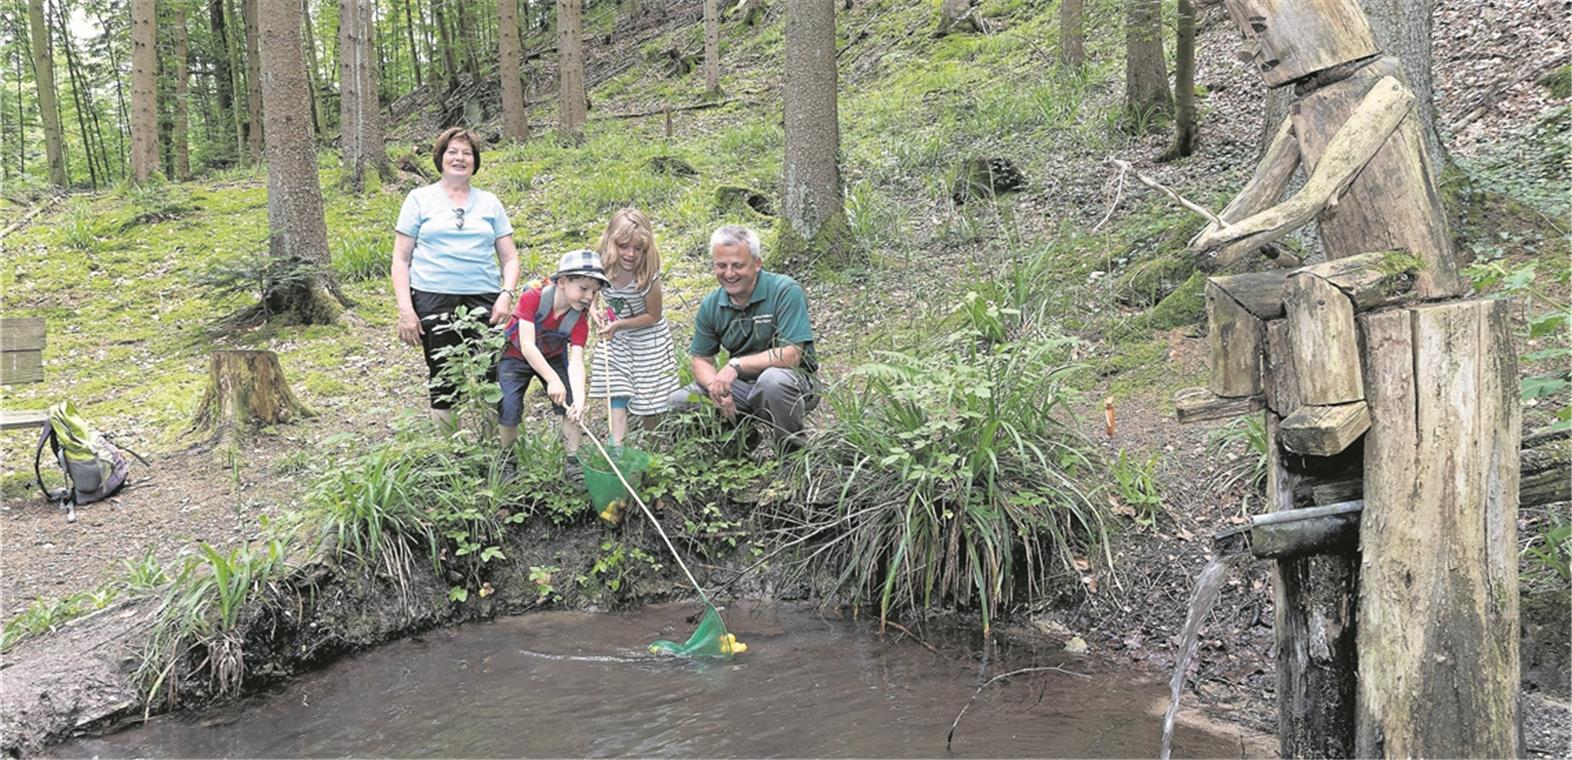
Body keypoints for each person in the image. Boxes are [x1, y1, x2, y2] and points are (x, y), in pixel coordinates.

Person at [392, 127, 521, 428]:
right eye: (453, 152)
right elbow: (400, 258)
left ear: (475, 161)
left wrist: (506, 293)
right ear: (440, 158)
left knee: (493, 372)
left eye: (467, 153)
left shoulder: (490, 202)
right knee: (443, 374)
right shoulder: (418, 199)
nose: (459, 158)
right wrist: (405, 309)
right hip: (432, 296)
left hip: (485, 297)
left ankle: (493, 450)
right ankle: (452, 455)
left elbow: (510, 257)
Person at [667, 224, 820, 451]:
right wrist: (715, 386)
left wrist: (736, 365)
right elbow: (701, 360)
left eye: (738, 265)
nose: (729, 274)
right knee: (678, 401)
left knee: (772, 381)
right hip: (741, 386)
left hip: (794, 382)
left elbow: (791, 355)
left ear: (757, 263)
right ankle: (740, 442)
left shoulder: (785, 290)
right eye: (722, 266)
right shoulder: (711, 304)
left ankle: (793, 455)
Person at [499, 249, 609, 480]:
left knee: (569, 403)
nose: (589, 297)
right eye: (583, 289)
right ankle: (507, 461)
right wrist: (551, 379)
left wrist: (579, 400)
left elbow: (577, 361)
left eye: (594, 292)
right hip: (516, 356)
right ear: (562, 282)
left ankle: (573, 461)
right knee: (509, 404)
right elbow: (527, 345)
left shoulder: (579, 320)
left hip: (553, 355)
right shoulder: (534, 298)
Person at [586, 208, 680, 447]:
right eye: (623, 246)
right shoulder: (601, 262)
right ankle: (616, 445)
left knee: (651, 396)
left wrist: (619, 324)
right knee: (616, 384)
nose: (630, 253)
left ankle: (653, 445)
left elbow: (653, 315)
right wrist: (593, 308)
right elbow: (592, 288)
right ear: (611, 242)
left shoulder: (648, 274)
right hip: (617, 336)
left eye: (638, 249)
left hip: (648, 336)